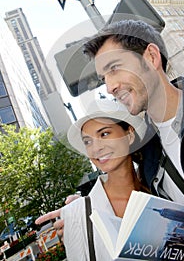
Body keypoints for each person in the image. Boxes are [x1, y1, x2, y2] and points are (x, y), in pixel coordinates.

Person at [81, 19, 184, 261]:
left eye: (115, 68)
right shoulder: (147, 152)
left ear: (151, 57)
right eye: (103, 78)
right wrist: (79, 214)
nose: (109, 86)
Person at [37, 98, 149, 260]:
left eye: (104, 134)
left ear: (129, 135)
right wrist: (77, 214)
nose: (96, 148)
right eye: (88, 142)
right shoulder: (76, 215)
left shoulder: (159, 189)